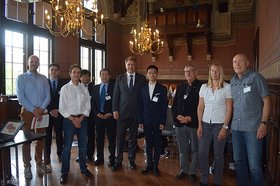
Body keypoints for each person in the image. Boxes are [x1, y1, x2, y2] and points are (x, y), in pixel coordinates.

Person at [230, 54, 270, 186]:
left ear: (247, 63)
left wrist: (264, 123)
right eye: (234, 61)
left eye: (240, 61)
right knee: (239, 162)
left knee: (254, 166)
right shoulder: (232, 81)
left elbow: (267, 101)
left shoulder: (256, 77)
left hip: (253, 129)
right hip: (236, 128)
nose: (237, 64)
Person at [197, 63, 233, 186]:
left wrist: (225, 127)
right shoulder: (204, 87)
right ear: (210, 72)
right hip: (205, 123)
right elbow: (200, 107)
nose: (214, 73)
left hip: (220, 125)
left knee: (218, 155)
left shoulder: (227, 87)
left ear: (221, 72)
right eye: (212, 70)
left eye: (217, 71)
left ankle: (217, 181)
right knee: (202, 152)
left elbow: (229, 109)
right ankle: (204, 179)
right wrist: (199, 125)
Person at [16, 55, 51, 179]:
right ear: (27, 63)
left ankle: (39, 163)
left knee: (40, 139)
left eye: (36, 62)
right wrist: (33, 110)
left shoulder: (43, 78)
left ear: (39, 64)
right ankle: (27, 166)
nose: (34, 64)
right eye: (32, 61)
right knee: (26, 140)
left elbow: (48, 95)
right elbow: (20, 97)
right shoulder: (21, 78)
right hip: (27, 112)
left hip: (42, 112)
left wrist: (41, 109)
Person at [59, 64, 92, 184]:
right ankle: (64, 172)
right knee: (67, 148)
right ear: (70, 73)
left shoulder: (84, 88)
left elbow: (88, 106)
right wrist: (73, 120)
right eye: (74, 72)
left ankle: (83, 169)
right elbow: (62, 108)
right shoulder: (65, 88)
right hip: (69, 121)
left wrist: (81, 117)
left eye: (78, 73)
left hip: (82, 120)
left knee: (83, 146)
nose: (76, 75)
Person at [112, 56, 146, 171]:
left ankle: (132, 160)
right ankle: (118, 161)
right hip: (121, 113)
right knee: (120, 138)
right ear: (125, 65)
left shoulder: (142, 78)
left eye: (133, 64)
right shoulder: (119, 78)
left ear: (135, 66)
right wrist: (115, 110)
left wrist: (142, 115)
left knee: (133, 138)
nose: (131, 67)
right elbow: (116, 95)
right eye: (128, 64)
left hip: (135, 113)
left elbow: (143, 98)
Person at [172, 63, 202, 182]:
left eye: (190, 71)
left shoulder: (202, 86)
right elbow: (174, 105)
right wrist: (177, 117)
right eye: (185, 71)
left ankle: (193, 172)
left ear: (196, 72)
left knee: (195, 149)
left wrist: (190, 118)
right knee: (182, 149)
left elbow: (202, 107)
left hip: (194, 124)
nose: (188, 73)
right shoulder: (180, 87)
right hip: (180, 124)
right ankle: (184, 169)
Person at [139, 65, 168, 176]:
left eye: (154, 72)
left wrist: (163, 122)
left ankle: (156, 166)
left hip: (157, 122)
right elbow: (140, 106)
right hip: (146, 121)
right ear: (147, 75)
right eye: (150, 72)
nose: (152, 74)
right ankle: (149, 165)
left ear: (157, 74)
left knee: (157, 144)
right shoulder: (143, 88)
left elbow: (164, 107)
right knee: (148, 144)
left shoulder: (162, 88)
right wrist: (140, 120)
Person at [92, 68, 116, 167]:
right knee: (99, 139)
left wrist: (110, 113)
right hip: (99, 117)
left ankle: (112, 159)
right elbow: (92, 102)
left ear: (110, 76)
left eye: (106, 74)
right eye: (102, 74)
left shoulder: (115, 87)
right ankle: (100, 158)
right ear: (100, 76)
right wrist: (97, 113)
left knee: (111, 139)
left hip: (110, 117)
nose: (104, 76)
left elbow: (117, 101)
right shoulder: (95, 88)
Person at [45, 64, 64, 173]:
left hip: (59, 113)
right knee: (47, 135)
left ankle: (60, 153)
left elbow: (65, 99)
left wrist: (58, 110)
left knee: (59, 134)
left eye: (56, 70)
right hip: (47, 113)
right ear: (49, 71)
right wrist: (50, 110)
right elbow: (42, 97)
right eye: (52, 69)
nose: (54, 71)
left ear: (59, 71)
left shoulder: (64, 84)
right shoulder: (44, 83)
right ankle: (47, 155)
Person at [76, 69, 95, 162]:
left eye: (87, 76)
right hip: (79, 116)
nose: (85, 78)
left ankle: (90, 155)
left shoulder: (94, 88)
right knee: (81, 137)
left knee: (91, 136)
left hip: (91, 116)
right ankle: (81, 155)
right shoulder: (77, 87)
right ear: (80, 77)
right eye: (83, 76)